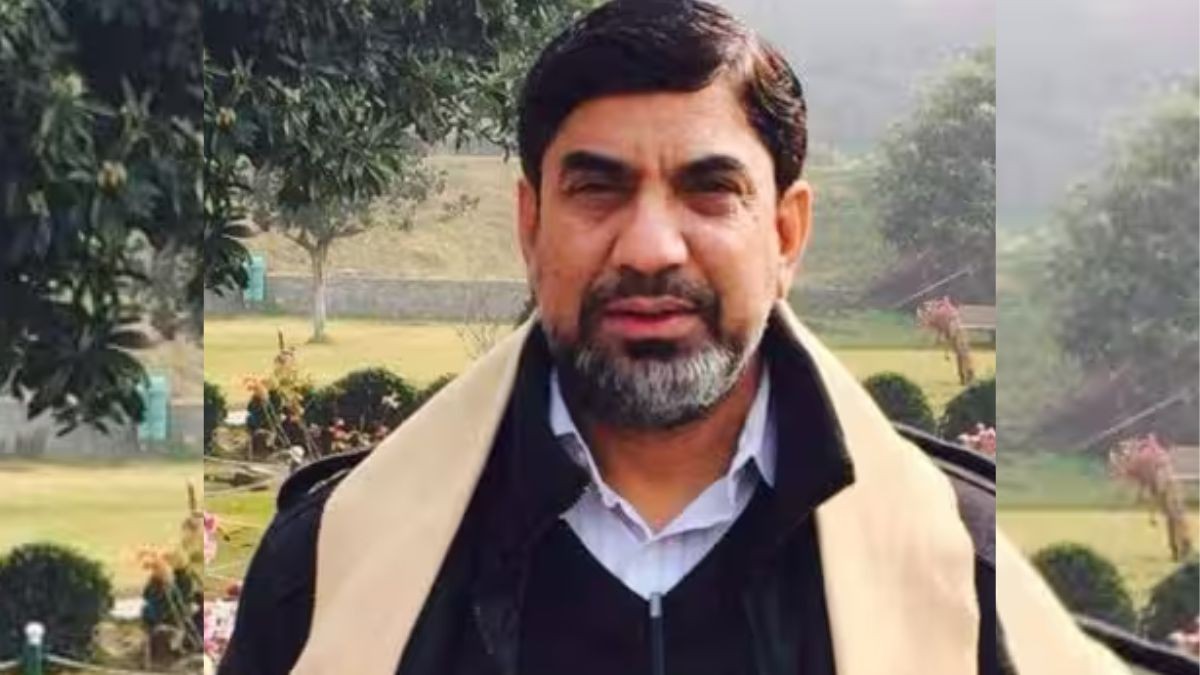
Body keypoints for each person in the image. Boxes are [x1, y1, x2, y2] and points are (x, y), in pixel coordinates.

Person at [219, 2, 1129, 673]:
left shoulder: (962, 578)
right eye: (598, 189)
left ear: (786, 234)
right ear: (531, 227)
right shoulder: (334, 569)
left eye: (709, 190)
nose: (651, 247)